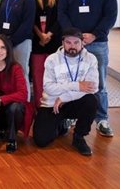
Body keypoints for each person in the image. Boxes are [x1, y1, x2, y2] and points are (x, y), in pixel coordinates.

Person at [58, 0, 117, 137]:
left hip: (97, 43)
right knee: (72, 80)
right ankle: (72, 115)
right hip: (73, 44)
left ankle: (102, 119)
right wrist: (74, 37)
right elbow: (62, 13)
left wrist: (95, 35)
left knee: (98, 82)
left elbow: (111, 15)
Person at [33, 28, 99, 156]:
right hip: (53, 104)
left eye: (76, 43)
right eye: (68, 42)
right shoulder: (52, 59)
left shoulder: (91, 59)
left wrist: (65, 97)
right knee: (41, 141)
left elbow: (93, 87)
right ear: (62, 43)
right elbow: (48, 88)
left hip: (73, 102)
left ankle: (79, 137)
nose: (72, 46)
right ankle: (61, 124)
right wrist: (77, 85)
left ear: (82, 43)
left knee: (92, 100)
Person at [0, 0, 36, 100]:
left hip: (21, 42)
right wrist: (0, 40)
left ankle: (24, 103)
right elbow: (1, 19)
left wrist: (11, 41)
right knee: (5, 74)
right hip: (4, 42)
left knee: (21, 72)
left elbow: (27, 24)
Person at [31, 0, 62, 108]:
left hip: (55, 40)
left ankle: (54, 106)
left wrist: (49, 34)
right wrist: (40, 35)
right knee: (38, 76)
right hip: (37, 42)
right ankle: (39, 107)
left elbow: (61, 17)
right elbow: (31, 19)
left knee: (55, 76)